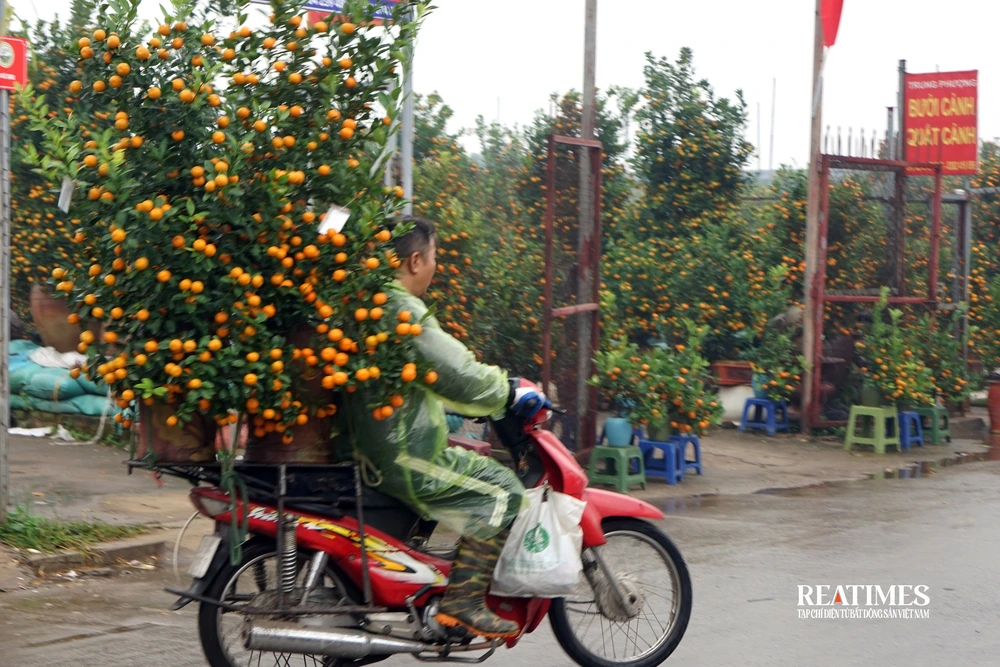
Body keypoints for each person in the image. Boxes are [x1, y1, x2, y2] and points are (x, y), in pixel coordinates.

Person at [342, 215, 549, 639]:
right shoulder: (399, 307)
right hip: (400, 455)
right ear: (415, 260)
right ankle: (463, 602)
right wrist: (506, 391)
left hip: (384, 446)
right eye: (435, 257)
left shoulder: (370, 298)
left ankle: (434, 590)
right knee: (503, 492)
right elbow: (454, 372)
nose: (437, 266)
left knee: (480, 466)